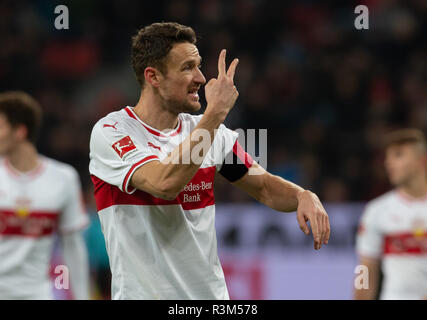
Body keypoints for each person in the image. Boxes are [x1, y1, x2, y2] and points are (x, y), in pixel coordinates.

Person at [89, 22, 330, 300]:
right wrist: (215, 113)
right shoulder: (112, 132)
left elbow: (264, 186)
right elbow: (164, 183)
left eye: (199, 66)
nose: (201, 78)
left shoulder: (209, 132)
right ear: (153, 77)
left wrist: (303, 195)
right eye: (188, 67)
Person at [0, 91, 89, 299]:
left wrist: (82, 296)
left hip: (38, 294)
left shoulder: (63, 178)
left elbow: (73, 247)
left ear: (20, 131)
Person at [354, 129, 427, 300]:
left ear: (421, 161)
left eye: (398, 155)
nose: (389, 163)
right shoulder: (376, 210)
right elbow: (364, 270)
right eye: (388, 157)